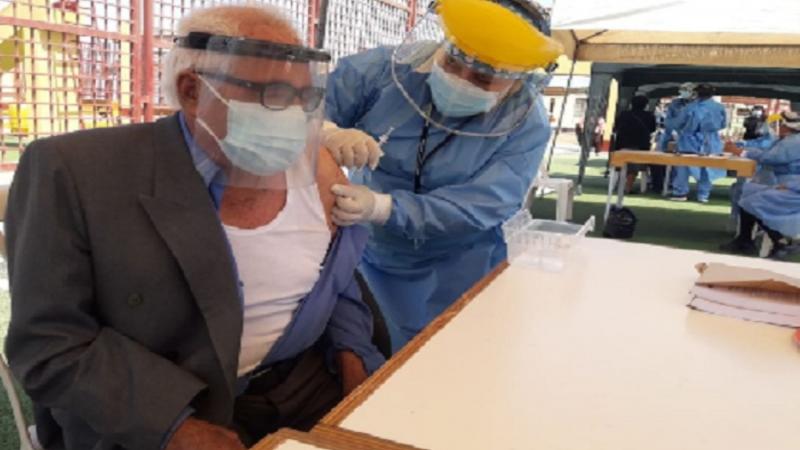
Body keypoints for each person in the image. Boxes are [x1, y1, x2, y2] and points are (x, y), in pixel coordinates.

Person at [4, 6, 385, 450]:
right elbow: (50, 342)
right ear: (192, 90)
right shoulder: (75, 172)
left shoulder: (317, 168)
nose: (295, 118)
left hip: (303, 385)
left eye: (305, 97)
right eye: (274, 95)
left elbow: (334, 281)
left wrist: (355, 362)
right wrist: (176, 428)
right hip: (163, 411)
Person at [323, 0, 562, 351]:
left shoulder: (526, 123)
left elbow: (485, 203)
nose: (460, 81)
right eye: (451, 63)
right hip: (370, 250)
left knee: (450, 352)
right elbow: (306, 105)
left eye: (483, 79)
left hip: (460, 261)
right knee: (366, 345)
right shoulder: (383, 72)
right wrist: (328, 132)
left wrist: (383, 207)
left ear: (517, 80)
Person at [721, 111, 800, 258]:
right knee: (746, 192)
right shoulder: (788, 140)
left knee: (751, 202)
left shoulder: (794, 142)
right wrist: (742, 149)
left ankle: (780, 242)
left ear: (786, 126)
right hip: (787, 184)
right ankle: (744, 240)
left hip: (793, 189)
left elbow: (771, 158)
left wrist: (741, 152)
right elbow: (766, 151)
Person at [669, 83, 727, 203]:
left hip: (688, 141)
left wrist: (676, 127)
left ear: (696, 93)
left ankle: (680, 193)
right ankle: (703, 195)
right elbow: (723, 124)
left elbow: (678, 123)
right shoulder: (719, 107)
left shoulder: (690, 107)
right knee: (707, 168)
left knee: (683, 167)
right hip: (711, 141)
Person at [610, 95, 656, 193]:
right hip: (641, 146)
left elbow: (616, 127)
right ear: (645, 105)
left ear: (631, 104)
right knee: (635, 167)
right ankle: (628, 187)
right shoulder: (649, 116)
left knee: (620, 166)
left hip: (622, 145)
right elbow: (652, 129)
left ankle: (618, 184)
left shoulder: (623, 114)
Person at [658, 82, 696, 152]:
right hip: (678, 132)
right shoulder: (675, 103)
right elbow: (669, 121)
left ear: (693, 92)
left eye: (685, 90)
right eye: (681, 90)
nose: (681, 92)